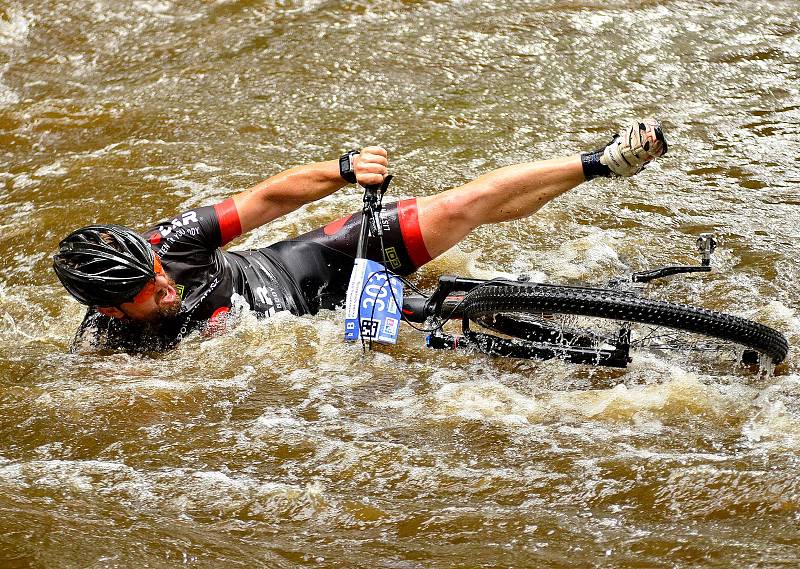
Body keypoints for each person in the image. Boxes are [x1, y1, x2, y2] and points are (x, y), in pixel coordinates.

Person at [53, 119, 667, 352]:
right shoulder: (109, 346)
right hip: (324, 327)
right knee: (461, 347)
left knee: (459, 206)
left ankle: (600, 162)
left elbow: (267, 198)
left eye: (155, 272)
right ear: (110, 309)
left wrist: (342, 171)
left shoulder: (172, 243)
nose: (162, 284)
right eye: (144, 289)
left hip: (312, 265)